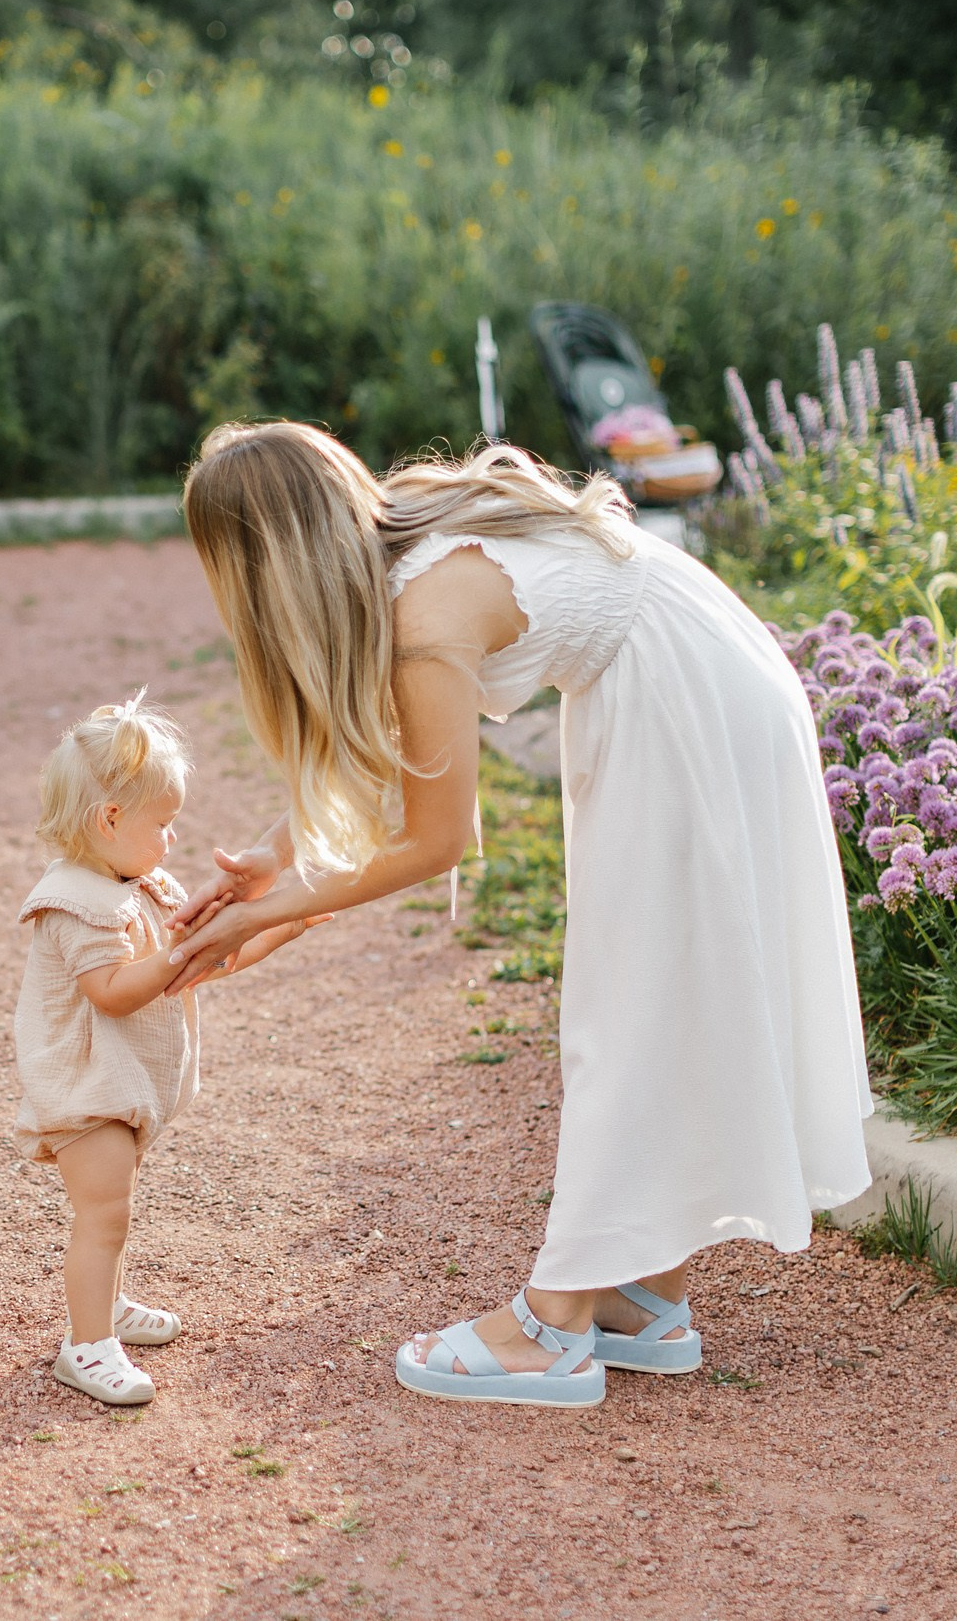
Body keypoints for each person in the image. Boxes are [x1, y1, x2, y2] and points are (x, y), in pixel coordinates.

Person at [163, 424, 873, 1409]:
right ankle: (641, 1295)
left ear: (260, 570)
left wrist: (273, 915)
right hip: (697, 673)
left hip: (683, 703)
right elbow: (405, 748)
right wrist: (272, 868)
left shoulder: (425, 611)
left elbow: (435, 838)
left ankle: (553, 1327)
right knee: (659, 990)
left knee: (626, 1008)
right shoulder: (408, 535)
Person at [15, 697, 326, 1405]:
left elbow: (210, 961)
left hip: (120, 1081)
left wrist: (287, 923)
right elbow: (111, 992)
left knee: (115, 1210)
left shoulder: (140, 887)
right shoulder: (75, 903)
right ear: (110, 819)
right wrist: (179, 951)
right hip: (85, 1089)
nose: (173, 835)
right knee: (103, 1216)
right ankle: (85, 1346)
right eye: (162, 822)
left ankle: (108, 1306)